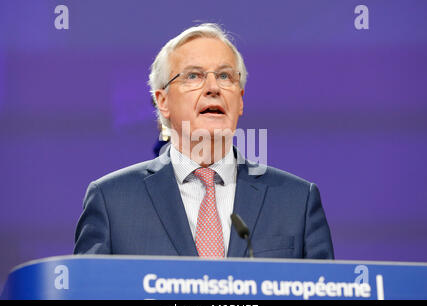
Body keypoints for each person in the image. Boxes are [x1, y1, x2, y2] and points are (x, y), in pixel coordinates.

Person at [74, 23, 334, 259]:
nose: (213, 88)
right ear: (162, 101)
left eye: (224, 76)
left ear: (240, 100)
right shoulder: (112, 201)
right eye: (194, 76)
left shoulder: (297, 201)